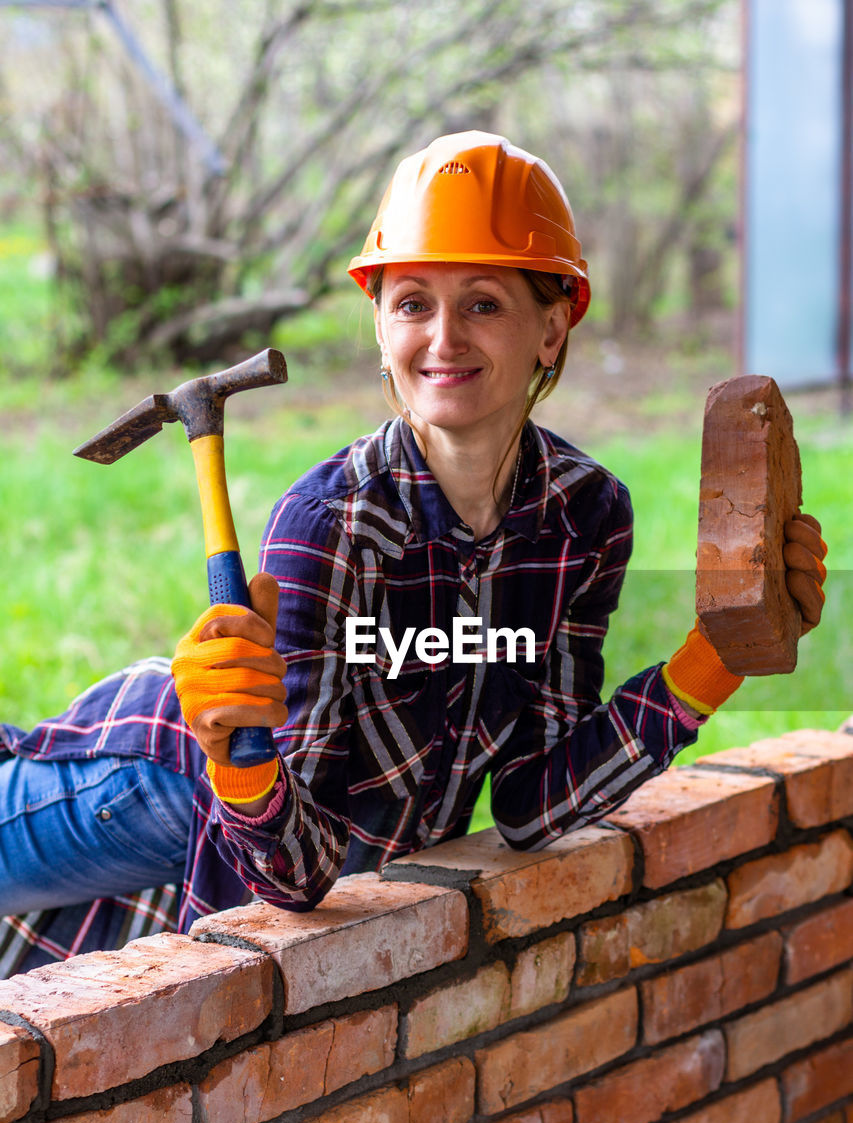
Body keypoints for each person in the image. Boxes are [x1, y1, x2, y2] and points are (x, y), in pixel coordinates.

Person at [0, 132, 827, 977]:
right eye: (411, 303)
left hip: (266, 834)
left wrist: (708, 665)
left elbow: (532, 802)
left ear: (552, 326)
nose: (442, 339)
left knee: (35, 980)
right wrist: (237, 761)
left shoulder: (584, 515)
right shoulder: (333, 527)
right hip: (159, 775)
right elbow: (293, 872)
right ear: (379, 324)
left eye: (482, 304)